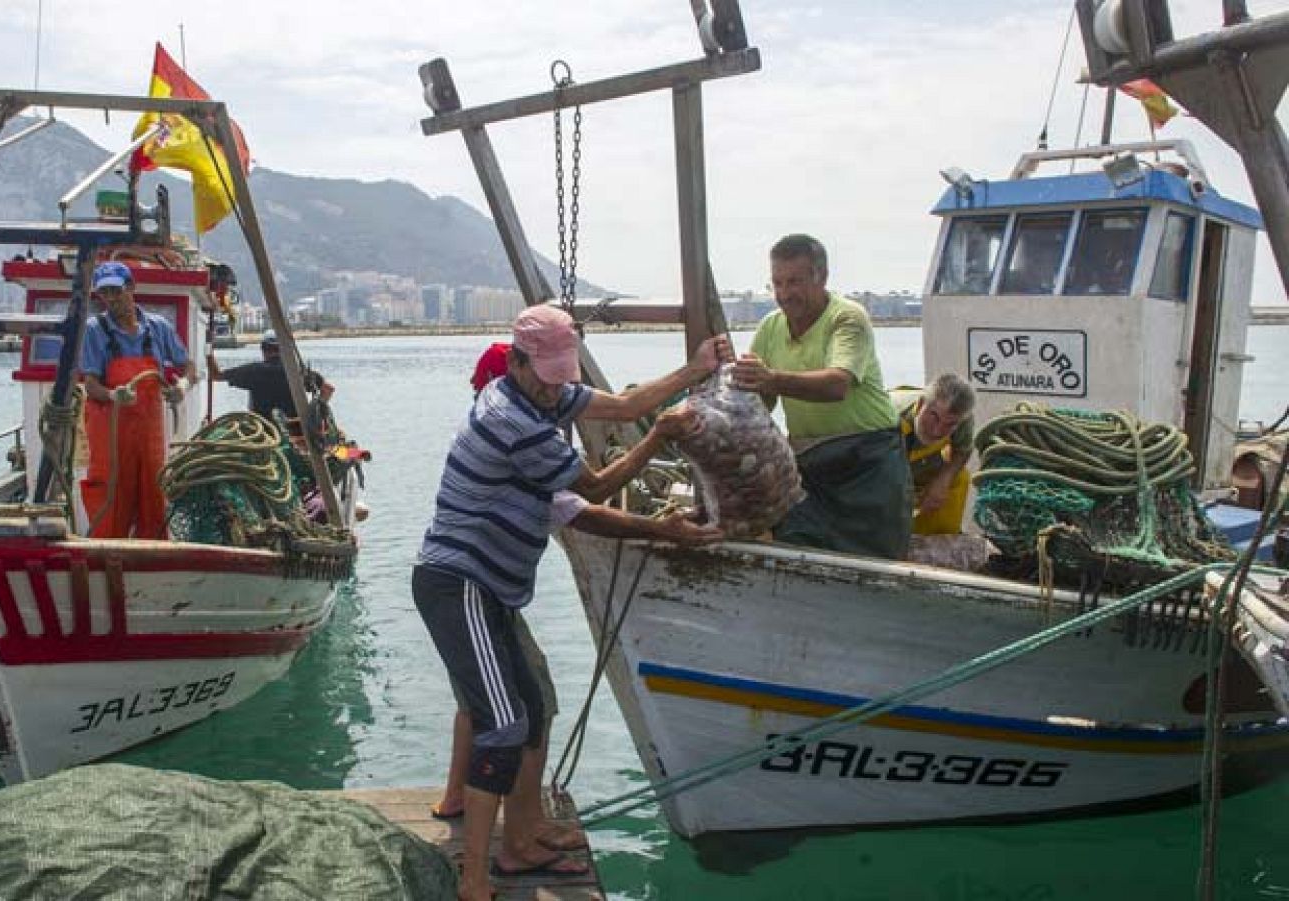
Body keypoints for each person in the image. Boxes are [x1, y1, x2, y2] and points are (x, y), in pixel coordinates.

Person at [414, 306, 730, 901]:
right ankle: (475, 878)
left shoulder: (543, 400)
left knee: (532, 707)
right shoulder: (514, 421)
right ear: (515, 363)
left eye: (565, 375)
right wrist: (660, 437)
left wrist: (694, 371)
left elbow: (625, 407)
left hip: (491, 590)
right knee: (504, 724)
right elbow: (594, 488)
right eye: (548, 377)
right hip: (458, 583)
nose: (557, 388)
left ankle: (521, 841)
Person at [732, 234, 912, 559]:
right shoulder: (770, 327)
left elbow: (837, 384)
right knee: (797, 546)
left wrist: (770, 379)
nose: (785, 294)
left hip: (868, 462)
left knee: (877, 560)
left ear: (822, 277)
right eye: (777, 283)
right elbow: (761, 401)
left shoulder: (848, 318)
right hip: (810, 463)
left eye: (795, 282)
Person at [79, 261, 197, 539]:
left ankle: (152, 552)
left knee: (153, 496)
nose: (110, 299)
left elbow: (189, 367)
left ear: (131, 287)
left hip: (149, 432)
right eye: (104, 293)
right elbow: (90, 384)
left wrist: (182, 385)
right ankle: (108, 554)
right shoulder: (95, 329)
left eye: (116, 291)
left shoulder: (159, 327)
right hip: (112, 433)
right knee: (111, 496)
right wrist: (112, 395)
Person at [892, 374, 977, 535]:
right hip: (877, 467)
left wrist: (943, 480)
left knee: (960, 478)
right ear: (920, 404)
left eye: (950, 424)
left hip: (920, 464)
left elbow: (963, 450)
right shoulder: (888, 414)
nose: (937, 431)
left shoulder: (963, 419)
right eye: (934, 416)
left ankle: (937, 540)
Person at [208, 330, 333, 420]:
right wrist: (313, 415)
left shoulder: (253, 371)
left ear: (263, 348)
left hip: (263, 433)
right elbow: (328, 389)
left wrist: (208, 349)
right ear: (284, 349)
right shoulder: (299, 373)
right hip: (294, 431)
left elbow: (216, 375)